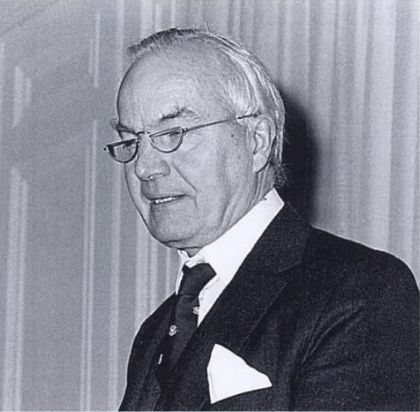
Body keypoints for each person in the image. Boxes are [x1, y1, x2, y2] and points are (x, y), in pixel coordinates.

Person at [104, 28, 419, 411]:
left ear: (257, 141)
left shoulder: (359, 292)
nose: (144, 168)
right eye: (131, 141)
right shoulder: (155, 332)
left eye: (173, 133)